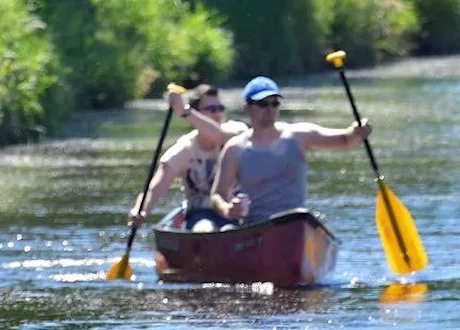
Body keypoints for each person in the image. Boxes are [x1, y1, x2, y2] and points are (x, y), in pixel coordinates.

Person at [209, 76, 371, 226]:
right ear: (247, 108)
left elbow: (345, 139)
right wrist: (227, 209)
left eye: (275, 103)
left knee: (301, 218)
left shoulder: (300, 135)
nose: (270, 109)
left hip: (295, 223)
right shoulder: (235, 148)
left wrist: (357, 131)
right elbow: (218, 195)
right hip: (256, 227)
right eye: (263, 104)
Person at [129, 84, 249, 232]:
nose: (218, 113)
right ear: (197, 114)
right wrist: (141, 210)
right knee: (206, 229)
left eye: (220, 108)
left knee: (231, 229)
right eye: (211, 109)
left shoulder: (237, 131)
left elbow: (219, 137)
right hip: (201, 214)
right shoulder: (185, 149)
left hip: (240, 210)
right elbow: (155, 189)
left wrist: (183, 110)